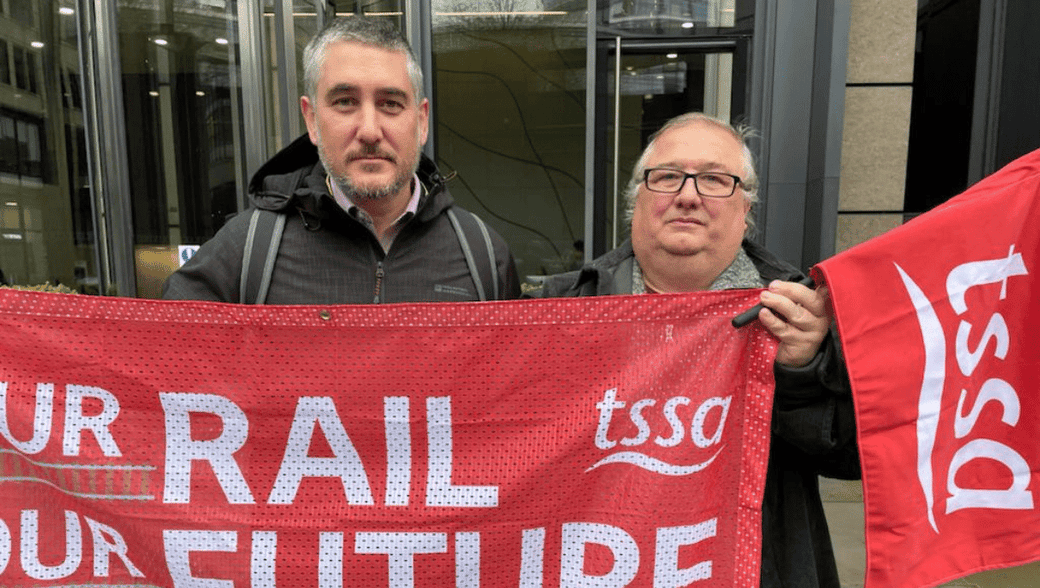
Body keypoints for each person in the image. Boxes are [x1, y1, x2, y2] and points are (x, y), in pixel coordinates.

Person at [535, 112, 860, 588]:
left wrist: (804, 372)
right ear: (636, 201)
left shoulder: (801, 313)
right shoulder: (561, 310)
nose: (688, 196)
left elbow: (852, 459)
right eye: (667, 177)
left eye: (713, 179)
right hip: (599, 568)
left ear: (744, 208)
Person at [163, 18, 519, 303]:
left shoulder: (482, 256)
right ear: (311, 119)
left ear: (422, 121)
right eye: (345, 102)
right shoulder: (245, 253)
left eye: (390, 104)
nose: (369, 130)